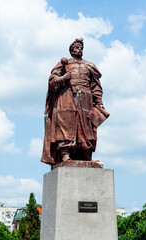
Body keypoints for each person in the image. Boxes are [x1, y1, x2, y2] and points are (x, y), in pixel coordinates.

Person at [41, 38, 109, 166]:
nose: (79, 49)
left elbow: (96, 87)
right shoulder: (63, 64)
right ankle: (65, 154)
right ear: (71, 50)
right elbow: (51, 81)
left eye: (81, 47)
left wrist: (99, 102)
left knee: (87, 127)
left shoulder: (89, 66)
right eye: (76, 47)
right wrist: (64, 78)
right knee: (66, 125)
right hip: (66, 99)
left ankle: (87, 155)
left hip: (85, 100)